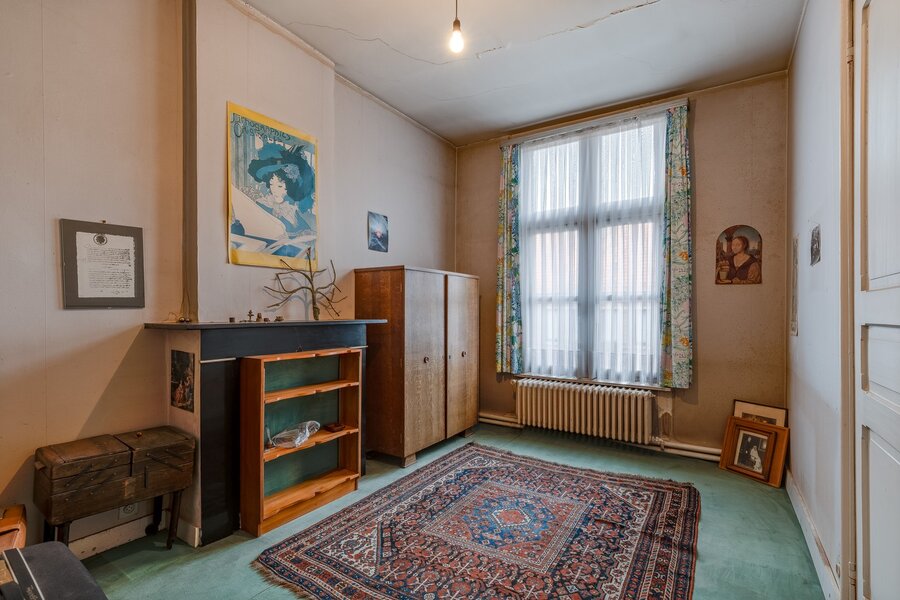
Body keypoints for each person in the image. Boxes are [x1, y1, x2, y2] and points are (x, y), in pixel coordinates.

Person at [232, 143, 316, 257]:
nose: (274, 190)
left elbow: (306, 236)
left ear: (289, 187)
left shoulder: (291, 211)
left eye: (280, 186)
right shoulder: (262, 203)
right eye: (271, 184)